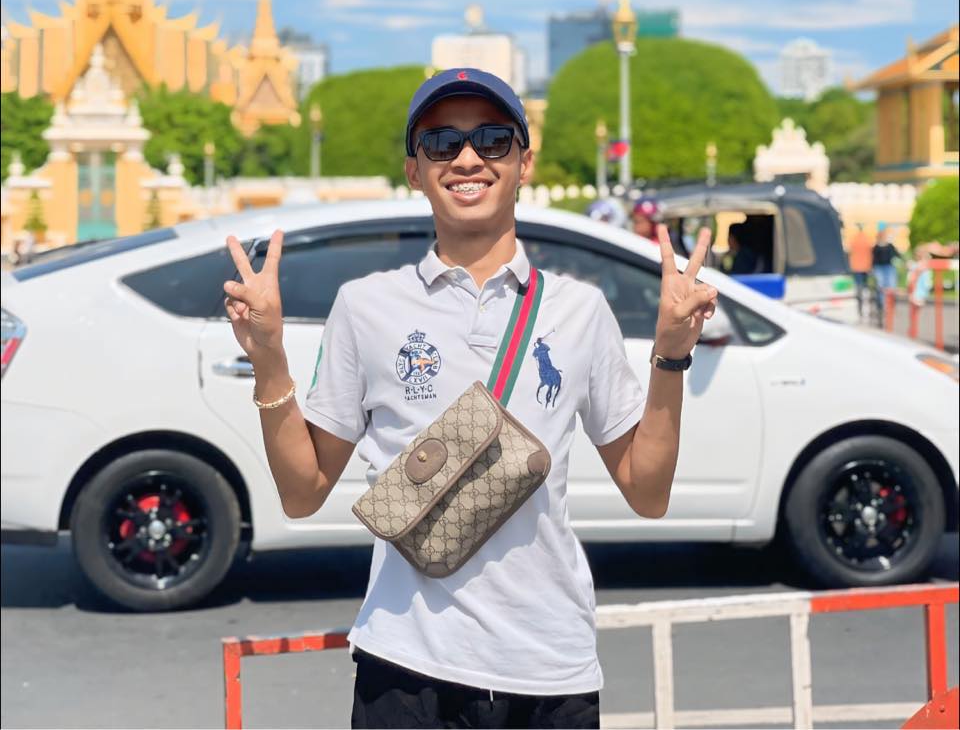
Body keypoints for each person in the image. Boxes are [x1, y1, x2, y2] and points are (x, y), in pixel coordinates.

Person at [221, 67, 717, 730]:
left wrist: (672, 355)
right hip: (406, 666)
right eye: (440, 142)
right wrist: (268, 358)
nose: (466, 158)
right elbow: (302, 492)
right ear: (414, 170)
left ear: (523, 163)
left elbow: (647, 492)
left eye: (492, 139)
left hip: (550, 667)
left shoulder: (579, 311)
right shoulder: (365, 308)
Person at [872, 223, 901, 320]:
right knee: (881, 286)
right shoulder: (876, 247)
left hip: (889, 268)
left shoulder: (890, 246)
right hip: (879, 268)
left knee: (891, 286)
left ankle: (891, 305)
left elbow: (897, 255)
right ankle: (884, 306)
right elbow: (873, 259)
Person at [848, 224, 874, 320]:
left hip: (856, 267)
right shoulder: (867, 239)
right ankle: (864, 308)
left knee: (858, 287)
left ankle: (860, 309)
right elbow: (871, 253)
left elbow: (850, 252)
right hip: (865, 267)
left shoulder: (854, 239)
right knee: (864, 287)